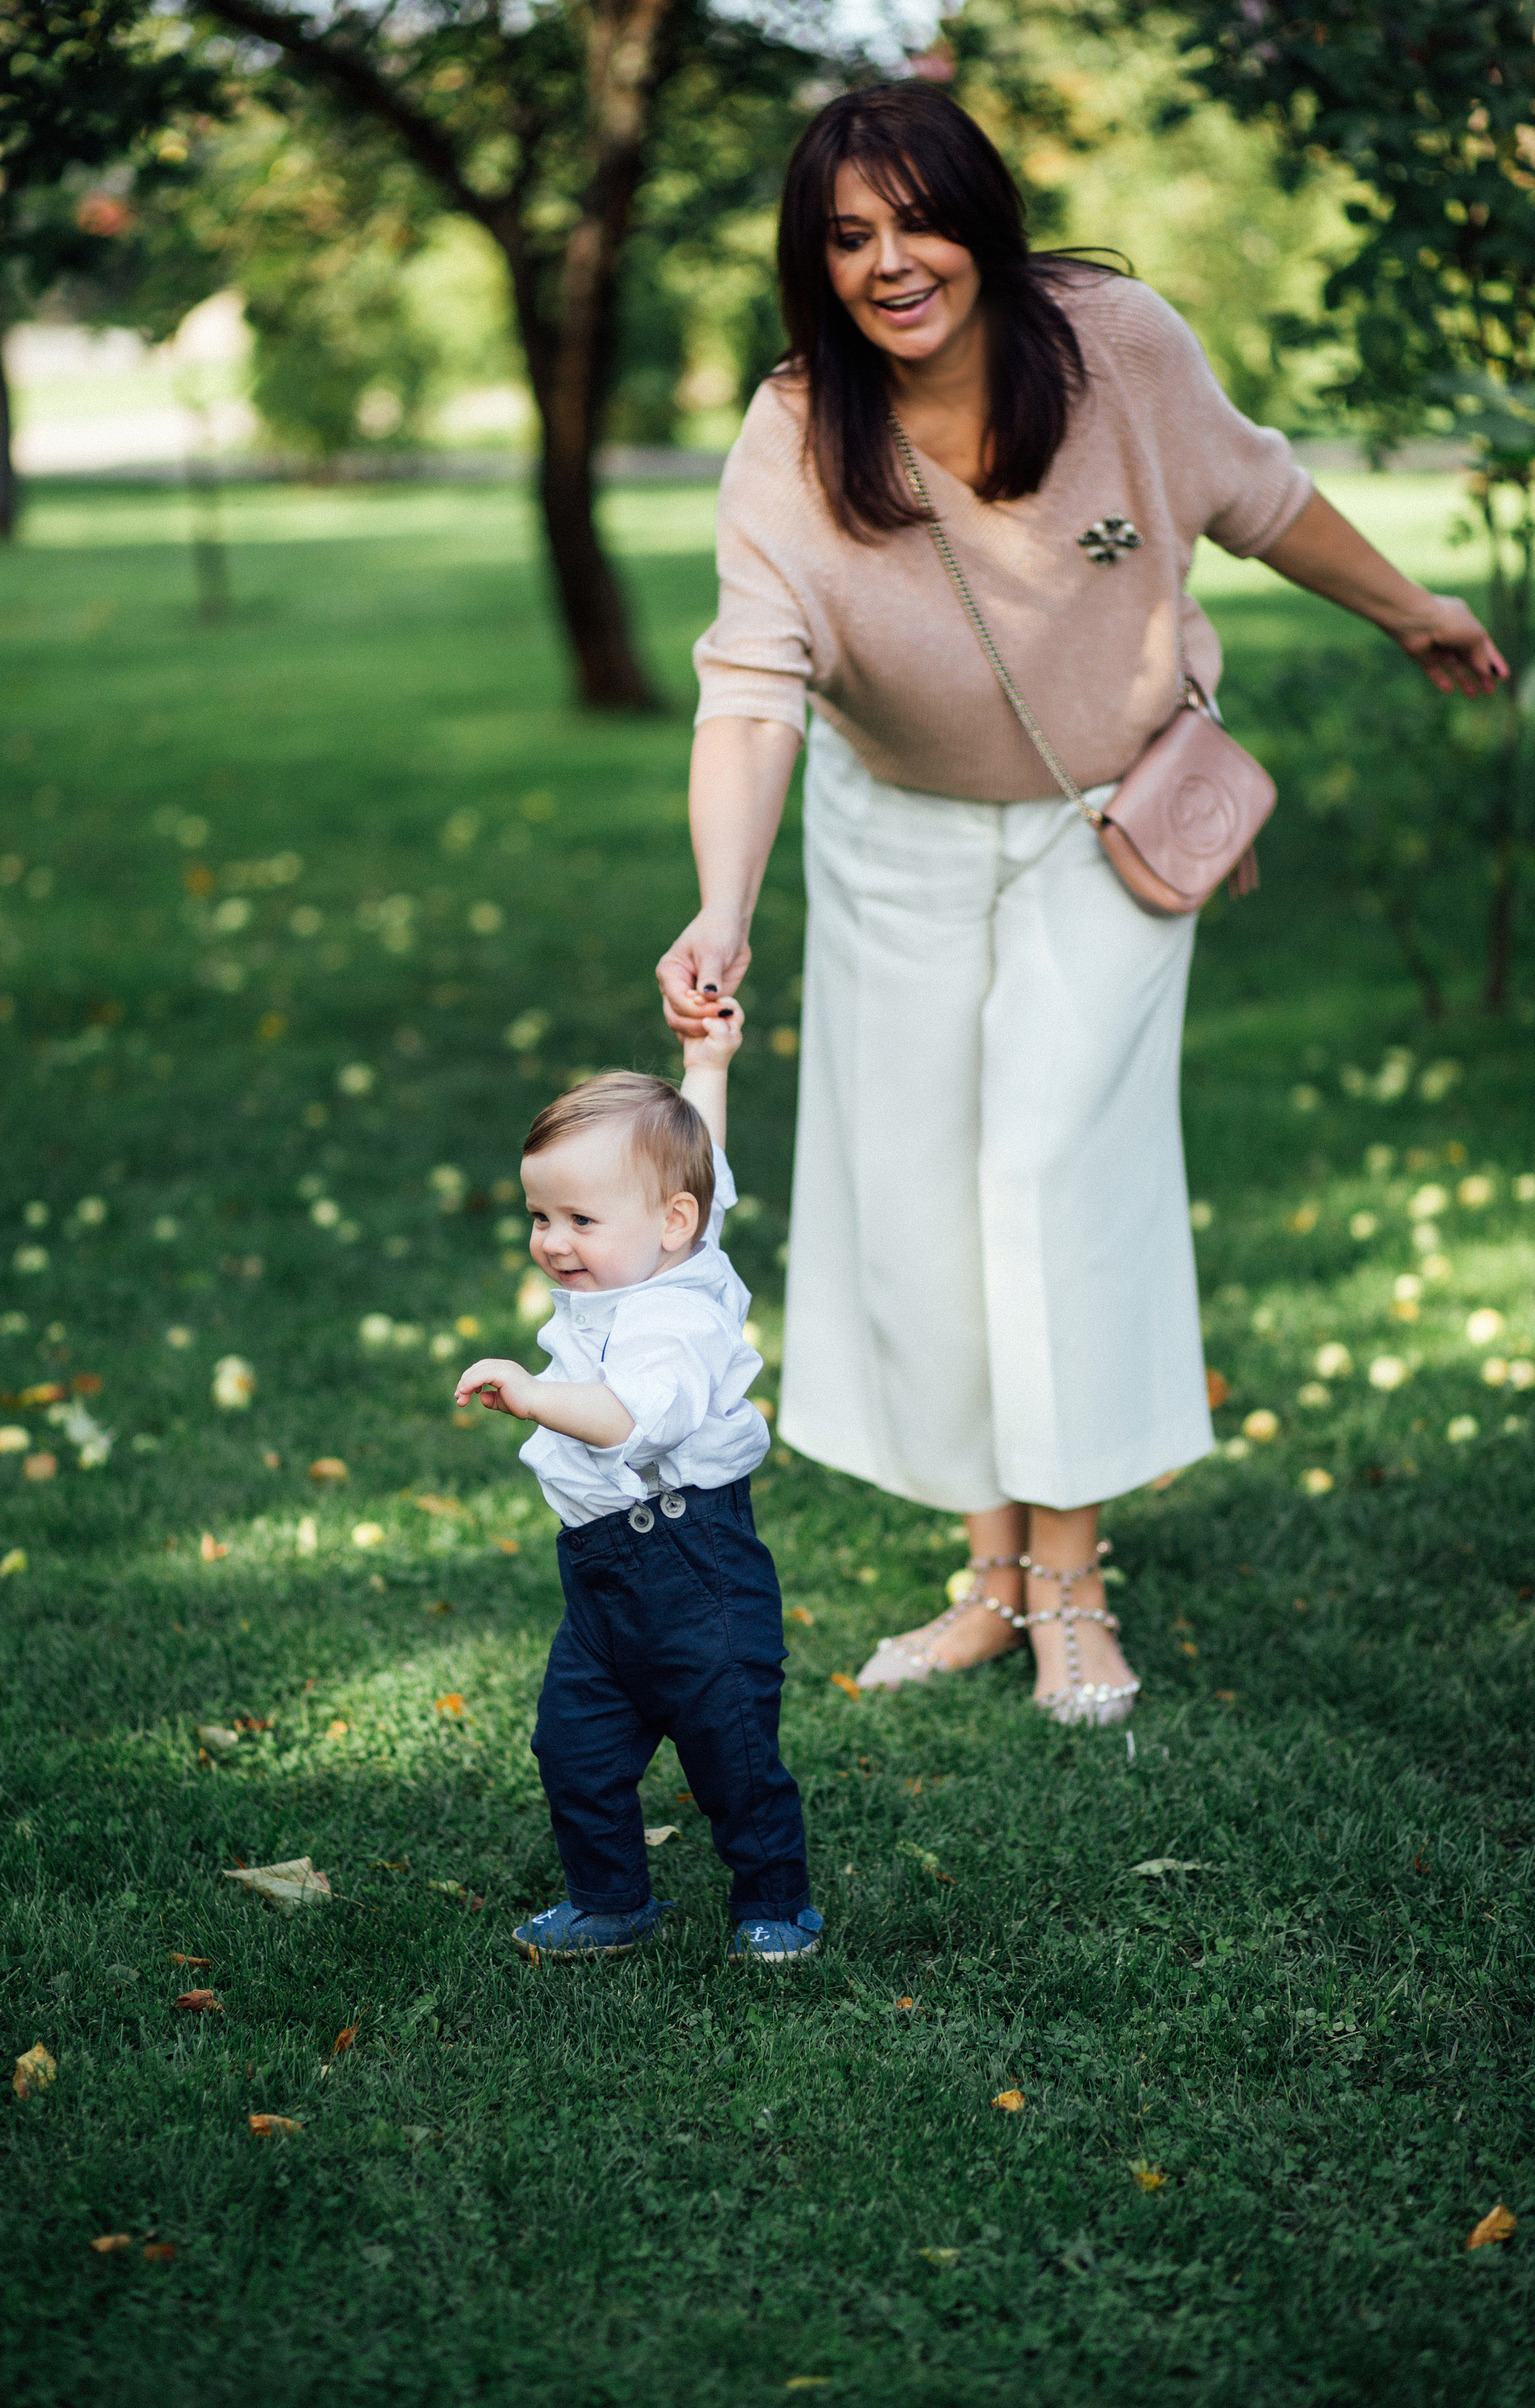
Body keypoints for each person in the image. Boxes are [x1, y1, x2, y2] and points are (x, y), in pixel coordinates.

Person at [656, 83, 1506, 1726]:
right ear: (812, 264)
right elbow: (750, 689)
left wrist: (1411, 612)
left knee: (1050, 1169)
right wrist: (722, 906)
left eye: (917, 219)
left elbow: (1259, 497)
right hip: (892, 832)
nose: (890, 264)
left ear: (984, 215)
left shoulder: (1114, 340)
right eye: (848, 238)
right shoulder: (795, 431)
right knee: (915, 1199)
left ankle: (1074, 1584)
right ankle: (990, 1576)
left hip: (1108, 824)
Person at [453, 1002, 821, 1963]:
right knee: (572, 1744)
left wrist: (536, 1395)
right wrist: (708, 1063)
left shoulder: (676, 1320)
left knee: (731, 1747)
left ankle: (774, 1902)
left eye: (579, 1219)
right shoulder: (657, 1244)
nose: (552, 1242)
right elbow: (697, 1164)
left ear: (671, 1225)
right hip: (603, 1578)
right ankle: (611, 1899)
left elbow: (627, 1421)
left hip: (693, 1562)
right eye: (540, 1216)